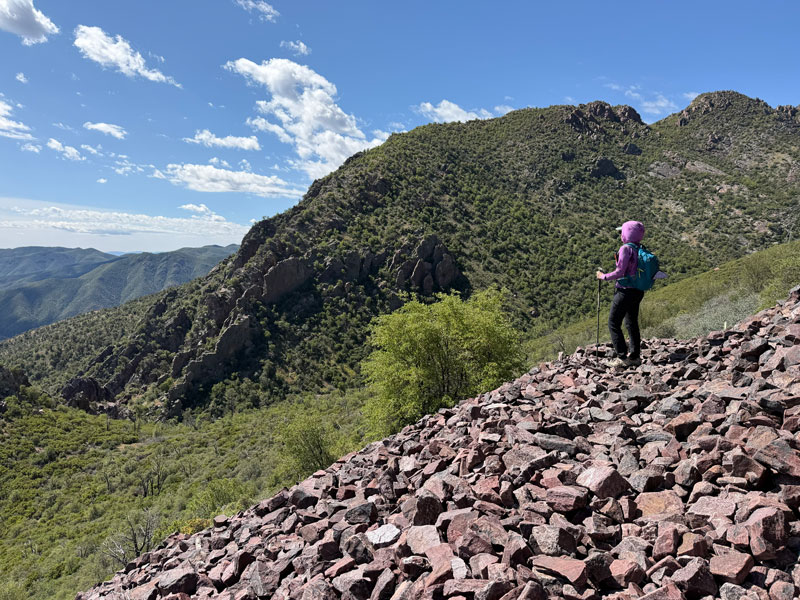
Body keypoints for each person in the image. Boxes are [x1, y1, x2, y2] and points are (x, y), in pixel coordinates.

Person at [596, 220, 646, 368]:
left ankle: (622, 357)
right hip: (638, 291)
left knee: (613, 322)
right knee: (631, 323)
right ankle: (635, 356)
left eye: (621, 232)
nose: (620, 235)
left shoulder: (625, 249)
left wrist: (603, 276)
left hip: (625, 291)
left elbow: (620, 272)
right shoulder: (640, 248)